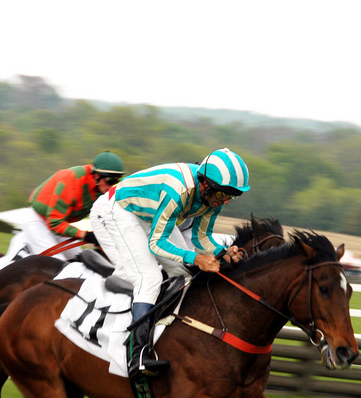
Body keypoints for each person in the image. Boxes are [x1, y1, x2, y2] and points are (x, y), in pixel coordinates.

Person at [89, 147, 250, 377]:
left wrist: (223, 252)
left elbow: (201, 238)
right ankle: (137, 356)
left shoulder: (211, 197)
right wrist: (196, 258)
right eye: (222, 194)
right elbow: (157, 244)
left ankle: (169, 335)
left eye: (231, 196)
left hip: (151, 214)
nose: (225, 202)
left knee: (185, 274)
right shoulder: (179, 190)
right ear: (205, 184)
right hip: (124, 211)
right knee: (150, 278)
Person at [0, 151, 124, 275]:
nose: (112, 185)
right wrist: (85, 235)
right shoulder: (72, 180)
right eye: (109, 180)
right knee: (58, 268)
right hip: (38, 221)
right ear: (96, 175)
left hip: (60, 225)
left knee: (80, 263)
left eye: (116, 181)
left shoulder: (102, 190)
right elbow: (55, 222)